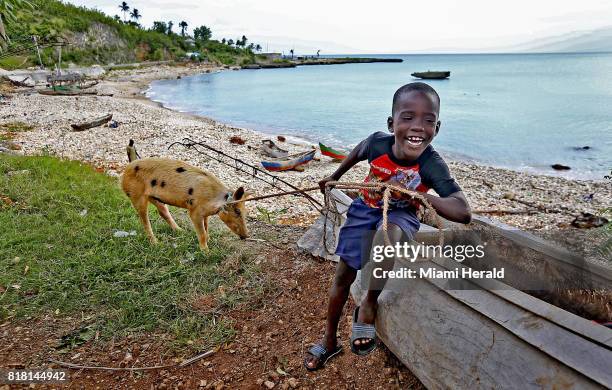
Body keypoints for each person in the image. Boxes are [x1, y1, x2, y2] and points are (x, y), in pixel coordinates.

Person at [304, 82, 472, 371]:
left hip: (403, 213)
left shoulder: (432, 164)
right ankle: (329, 341)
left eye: (428, 120)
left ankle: (370, 301)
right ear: (391, 123)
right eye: (407, 118)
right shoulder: (378, 143)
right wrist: (334, 175)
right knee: (342, 276)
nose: (418, 127)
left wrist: (416, 195)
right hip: (365, 207)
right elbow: (358, 151)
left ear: (438, 127)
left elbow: (463, 210)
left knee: (387, 236)